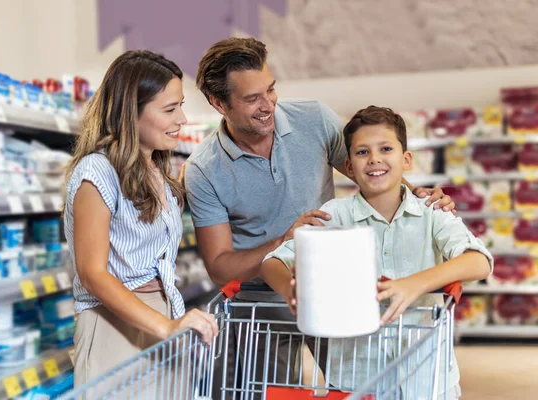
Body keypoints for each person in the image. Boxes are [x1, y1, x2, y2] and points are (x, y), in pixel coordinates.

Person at [185, 37, 456, 395]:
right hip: (261, 303)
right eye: (252, 99)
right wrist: (285, 241)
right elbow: (219, 266)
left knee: (360, 386)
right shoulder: (204, 169)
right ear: (219, 103)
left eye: (271, 89)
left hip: (333, 286)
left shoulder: (314, 119)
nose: (268, 105)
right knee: (265, 391)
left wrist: (419, 197)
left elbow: (373, 173)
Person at [261, 105, 493, 398]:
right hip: (355, 377)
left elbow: (479, 261)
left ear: (406, 159)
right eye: (362, 152)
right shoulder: (334, 215)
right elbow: (273, 262)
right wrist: (290, 289)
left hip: (426, 375)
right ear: (349, 167)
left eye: (385, 148)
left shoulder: (432, 212)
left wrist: (414, 284)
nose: (374, 160)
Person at [63, 50, 218, 392]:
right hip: (114, 323)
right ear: (130, 112)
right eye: (169, 109)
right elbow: (92, 273)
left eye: (180, 105)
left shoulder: (157, 169)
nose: (181, 119)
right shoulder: (97, 172)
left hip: (162, 312)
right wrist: (165, 327)